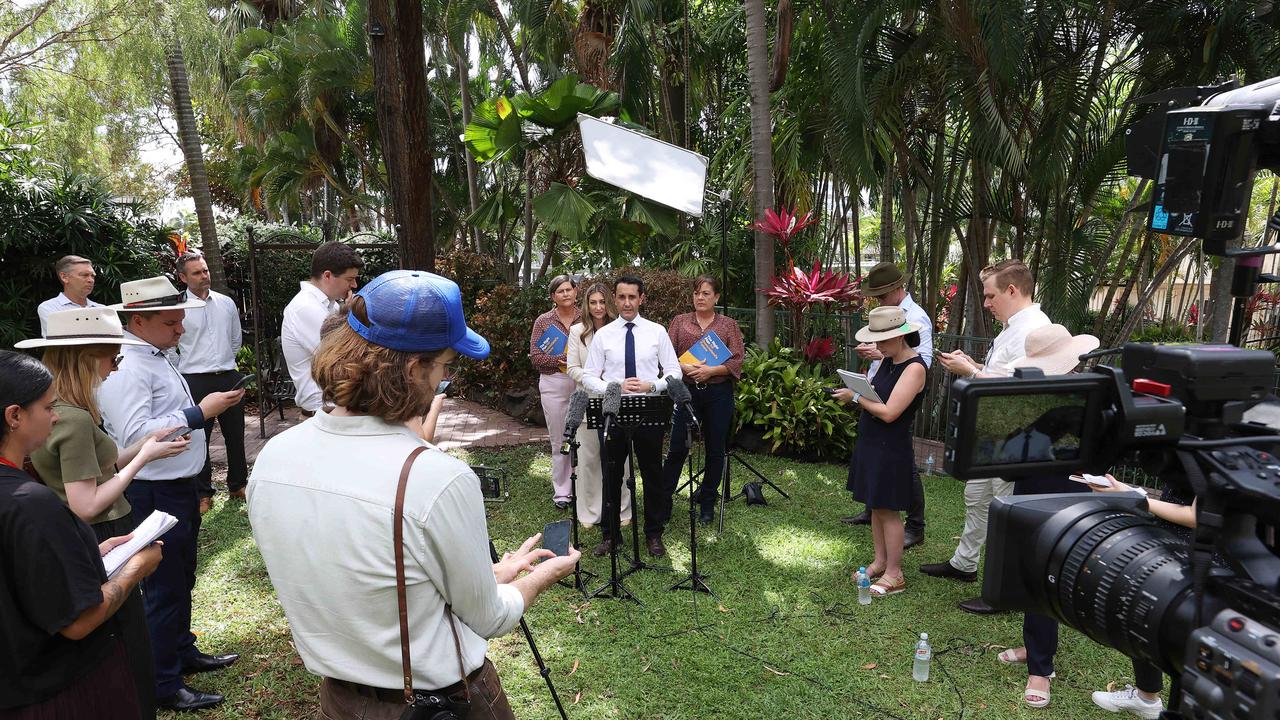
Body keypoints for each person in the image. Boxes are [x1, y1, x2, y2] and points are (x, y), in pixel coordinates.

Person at [248, 270, 580, 720]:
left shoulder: (273, 459)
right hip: (440, 704)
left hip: (339, 701)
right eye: (444, 366)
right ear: (412, 369)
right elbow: (491, 619)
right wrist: (542, 575)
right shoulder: (435, 478)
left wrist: (491, 573)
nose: (445, 379)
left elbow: (375, 577)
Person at [19, 307, 191, 719]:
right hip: (99, 529)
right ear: (86, 359)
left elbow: (97, 467)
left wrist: (146, 447)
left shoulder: (64, 410)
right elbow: (87, 501)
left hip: (87, 528)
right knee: (122, 634)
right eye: (113, 358)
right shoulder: (74, 419)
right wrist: (141, 460)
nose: (116, 369)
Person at [98, 276, 246, 712]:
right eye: (171, 322)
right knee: (163, 586)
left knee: (181, 577)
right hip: (153, 490)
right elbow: (133, 437)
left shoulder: (154, 354)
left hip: (177, 484)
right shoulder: (129, 366)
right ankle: (163, 682)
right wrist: (201, 412)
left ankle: (182, 651)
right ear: (138, 321)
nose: (181, 329)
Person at [0, 349, 163, 719]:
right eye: (47, 408)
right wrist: (136, 566)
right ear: (15, 415)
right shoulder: (30, 503)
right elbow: (79, 620)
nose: (55, 416)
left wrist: (86, 551)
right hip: (53, 689)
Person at [923, 259, 1050, 614]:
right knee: (976, 498)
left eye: (991, 295)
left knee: (1003, 511)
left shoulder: (1035, 329)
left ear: (1013, 290)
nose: (987, 303)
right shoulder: (1012, 326)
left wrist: (970, 372)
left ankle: (1003, 590)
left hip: (1015, 435)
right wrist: (975, 367)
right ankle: (964, 563)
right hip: (995, 431)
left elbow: (1021, 388)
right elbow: (1002, 374)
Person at [987, 324, 1099, 709]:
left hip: (1067, 500)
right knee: (1032, 576)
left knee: (1047, 578)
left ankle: (1040, 668)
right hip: (1031, 494)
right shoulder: (1036, 400)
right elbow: (1011, 458)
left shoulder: (1086, 403)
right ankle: (1035, 647)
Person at [581, 275, 682, 558]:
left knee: (652, 473)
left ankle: (653, 534)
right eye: (622, 297)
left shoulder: (657, 332)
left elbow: (675, 371)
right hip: (614, 411)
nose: (627, 303)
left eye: (632, 297)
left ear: (642, 299)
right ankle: (611, 536)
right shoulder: (604, 335)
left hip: (649, 409)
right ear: (615, 298)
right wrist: (612, 387)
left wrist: (654, 385)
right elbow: (589, 377)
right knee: (611, 474)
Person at [833, 306, 927, 596]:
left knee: (889, 510)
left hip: (890, 445)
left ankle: (895, 573)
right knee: (876, 506)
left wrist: (856, 396)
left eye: (883, 340)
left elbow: (889, 413)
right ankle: (880, 561)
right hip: (872, 440)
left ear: (901, 336)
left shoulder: (914, 368)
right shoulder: (889, 360)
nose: (878, 345)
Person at [845, 261, 934, 549]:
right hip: (877, 414)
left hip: (891, 419)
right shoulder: (888, 356)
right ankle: (880, 553)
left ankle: (915, 526)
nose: (878, 301)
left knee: (896, 485)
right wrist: (877, 361)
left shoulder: (915, 322)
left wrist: (858, 396)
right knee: (880, 501)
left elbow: (918, 365)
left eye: (882, 296)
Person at [660, 275, 745, 525]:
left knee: (715, 450)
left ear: (716, 297)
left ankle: (707, 502)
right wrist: (685, 369)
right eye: (697, 293)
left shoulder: (728, 324)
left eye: (706, 293)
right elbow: (666, 355)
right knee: (677, 447)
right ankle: (663, 503)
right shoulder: (679, 322)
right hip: (686, 393)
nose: (700, 297)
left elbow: (737, 360)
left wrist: (711, 371)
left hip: (718, 394)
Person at [175, 251, 247, 514]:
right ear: (183, 277)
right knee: (198, 438)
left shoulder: (226, 303)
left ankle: (238, 484)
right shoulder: (178, 306)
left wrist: (224, 363)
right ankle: (203, 493)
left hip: (228, 375)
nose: (204, 276)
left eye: (205, 270)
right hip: (194, 379)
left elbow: (236, 340)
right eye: (197, 272)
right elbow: (173, 348)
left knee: (235, 434)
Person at [565, 282, 632, 528]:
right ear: (586, 304)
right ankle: (590, 513)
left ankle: (623, 510)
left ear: (609, 303)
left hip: (617, 401)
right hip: (588, 402)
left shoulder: (621, 329)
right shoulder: (577, 331)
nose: (598, 307)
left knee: (620, 460)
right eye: (593, 302)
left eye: (602, 302)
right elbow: (572, 368)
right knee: (589, 459)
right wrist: (594, 382)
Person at [280, 241, 363, 417]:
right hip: (324, 413)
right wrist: (351, 314)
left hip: (334, 411)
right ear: (327, 275)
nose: (354, 285)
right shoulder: (305, 307)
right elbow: (343, 356)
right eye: (349, 279)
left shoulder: (329, 306)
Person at [529, 275, 581, 509]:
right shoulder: (543, 321)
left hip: (582, 382)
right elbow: (537, 357)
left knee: (584, 437)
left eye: (569, 289)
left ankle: (583, 486)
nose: (565, 294)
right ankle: (562, 491)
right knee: (560, 439)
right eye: (560, 291)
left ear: (576, 291)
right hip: (555, 382)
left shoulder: (586, 316)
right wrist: (560, 359)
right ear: (553, 296)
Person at [36, 255, 104, 335]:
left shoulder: (103, 309)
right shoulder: (50, 308)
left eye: (92, 276)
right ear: (64, 277)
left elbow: (121, 343)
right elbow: (62, 342)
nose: (91, 280)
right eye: (84, 275)